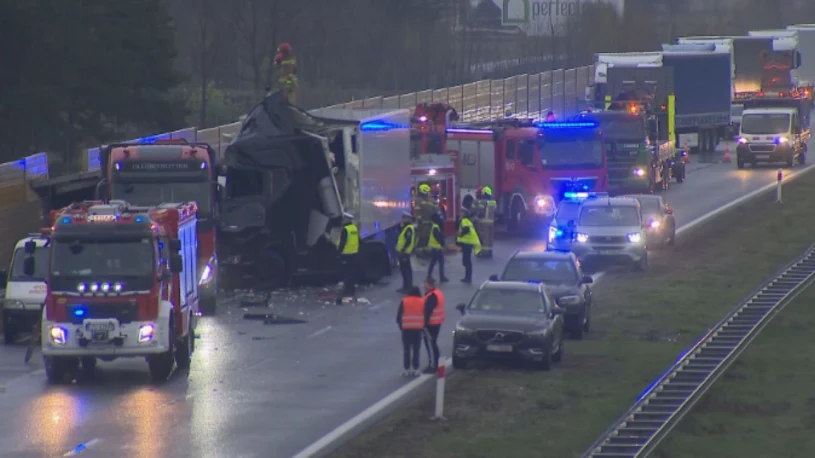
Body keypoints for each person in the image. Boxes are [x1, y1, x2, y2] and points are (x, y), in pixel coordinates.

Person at [396, 286, 425, 376]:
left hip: (406, 329)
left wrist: (402, 326)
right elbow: (426, 315)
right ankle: (416, 368)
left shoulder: (404, 301)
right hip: (418, 329)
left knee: (407, 349)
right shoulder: (422, 301)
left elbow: (398, 317)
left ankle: (406, 369)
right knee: (416, 349)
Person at [335, 212, 360, 305]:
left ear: (347, 220)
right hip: (354, 253)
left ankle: (347, 291)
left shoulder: (345, 229)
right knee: (351, 273)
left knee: (346, 273)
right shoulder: (354, 228)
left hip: (346, 254)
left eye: (344, 219)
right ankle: (351, 290)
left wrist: (338, 253)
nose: (343, 220)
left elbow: (343, 242)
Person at [422, 278, 445, 373]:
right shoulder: (437, 292)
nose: (424, 286)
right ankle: (436, 362)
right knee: (433, 343)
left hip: (431, 324)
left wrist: (423, 323)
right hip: (437, 322)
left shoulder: (431, 296)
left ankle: (433, 365)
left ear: (430, 285)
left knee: (431, 344)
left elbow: (427, 311)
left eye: (425, 284)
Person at [457, 207, 482, 284]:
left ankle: (468, 278)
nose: (460, 213)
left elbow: (466, 229)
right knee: (467, 261)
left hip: (467, 243)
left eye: (461, 212)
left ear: (464, 214)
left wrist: (460, 234)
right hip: (468, 243)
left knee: (466, 261)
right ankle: (467, 277)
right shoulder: (468, 221)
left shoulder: (464, 221)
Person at [396, 212, 416, 293]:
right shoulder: (406, 227)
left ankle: (408, 287)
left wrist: (403, 250)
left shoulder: (409, 228)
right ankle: (405, 286)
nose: (403, 219)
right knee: (404, 270)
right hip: (403, 252)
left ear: (408, 218)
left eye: (404, 218)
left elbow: (408, 240)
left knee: (406, 270)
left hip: (404, 253)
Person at [426, 213, 449, 283]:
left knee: (433, 262)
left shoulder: (434, 226)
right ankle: (442, 277)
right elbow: (438, 237)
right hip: (437, 248)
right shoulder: (436, 227)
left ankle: (429, 276)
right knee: (441, 262)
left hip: (434, 247)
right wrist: (443, 244)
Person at [476, 186, 497, 258]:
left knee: (485, 239)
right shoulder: (493, 202)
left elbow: (480, 212)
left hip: (484, 223)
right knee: (490, 239)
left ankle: (484, 253)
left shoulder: (483, 202)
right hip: (491, 223)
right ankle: (490, 252)